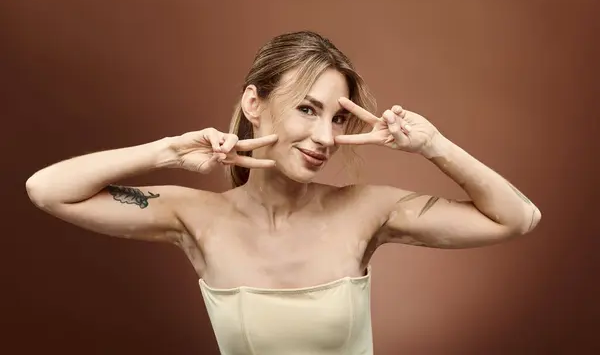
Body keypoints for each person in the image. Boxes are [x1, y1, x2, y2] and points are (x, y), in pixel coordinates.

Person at [26, 31, 542, 355]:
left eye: (338, 118)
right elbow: (47, 189)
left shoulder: (366, 210)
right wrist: (166, 152)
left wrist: (435, 145)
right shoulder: (196, 217)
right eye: (307, 109)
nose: (325, 137)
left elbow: (516, 218)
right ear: (255, 103)